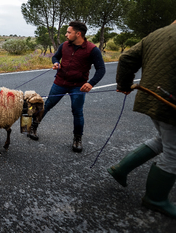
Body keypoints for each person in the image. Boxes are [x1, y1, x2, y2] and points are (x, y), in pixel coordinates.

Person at [107, 20, 176, 218]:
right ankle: (156, 199)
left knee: (163, 139)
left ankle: (121, 168)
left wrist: (125, 84)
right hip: (170, 103)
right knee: (174, 152)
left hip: (151, 97)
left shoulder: (157, 32)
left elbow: (127, 57)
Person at [28, 21, 106, 152]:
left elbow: (101, 69)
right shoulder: (64, 45)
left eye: (69, 32)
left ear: (78, 34)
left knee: (77, 112)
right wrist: (56, 63)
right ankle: (33, 127)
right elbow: (55, 57)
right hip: (60, 83)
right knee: (47, 105)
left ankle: (77, 139)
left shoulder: (92, 49)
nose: (66, 34)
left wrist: (91, 83)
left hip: (78, 87)